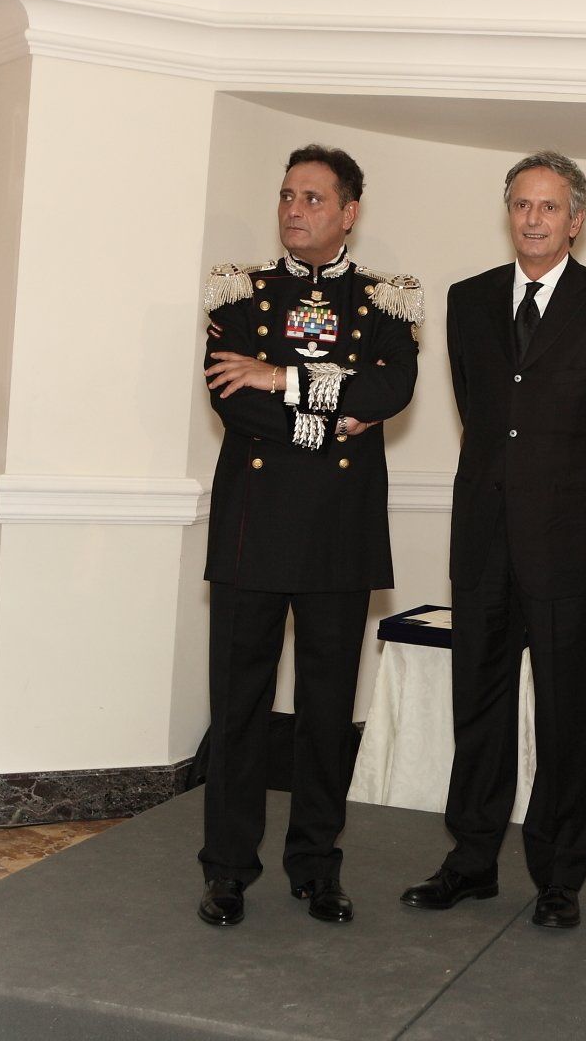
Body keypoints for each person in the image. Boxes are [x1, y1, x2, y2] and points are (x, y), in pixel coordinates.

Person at [400, 151, 586, 930]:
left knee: (563, 716)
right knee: (477, 708)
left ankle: (559, 877)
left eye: (549, 207)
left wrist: (569, 496)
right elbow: (479, 411)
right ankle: (471, 861)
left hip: (569, 549)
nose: (533, 219)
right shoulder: (468, 299)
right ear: (508, 212)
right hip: (482, 541)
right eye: (521, 204)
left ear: (576, 220)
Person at [196, 144, 420, 928]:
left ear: (349, 213)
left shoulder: (385, 301)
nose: (295, 209)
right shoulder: (241, 293)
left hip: (337, 532)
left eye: (314, 198)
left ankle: (317, 865)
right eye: (288, 195)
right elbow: (230, 394)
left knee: (326, 712)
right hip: (253, 528)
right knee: (239, 707)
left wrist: (282, 377)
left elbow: (391, 387)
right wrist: (328, 421)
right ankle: (227, 868)